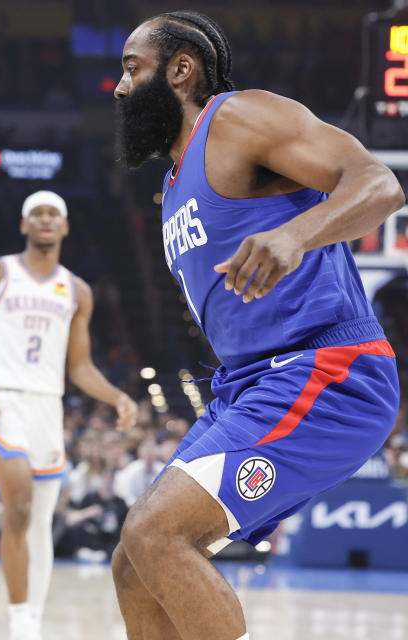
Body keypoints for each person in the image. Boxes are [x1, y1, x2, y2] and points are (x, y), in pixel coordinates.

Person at [111, 11, 403, 640]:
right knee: (136, 561)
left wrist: (297, 233)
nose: (120, 86)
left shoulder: (238, 119)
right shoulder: (172, 183)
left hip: (326, 370)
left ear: (180, 69)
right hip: (249, 385)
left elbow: (378, 183)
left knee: (155, 532)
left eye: (132, 68)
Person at [0, 190, 139, 640]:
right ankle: (20, 620)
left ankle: (30, 623)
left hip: (47, 406)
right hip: (1, 397)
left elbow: (79, 367)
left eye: (52, 214)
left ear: (64, 226)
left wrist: (117, 396)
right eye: (36, 213)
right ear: (24, 225)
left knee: (40, 522)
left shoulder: (78, 290)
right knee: (17, 503)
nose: (44, 220)